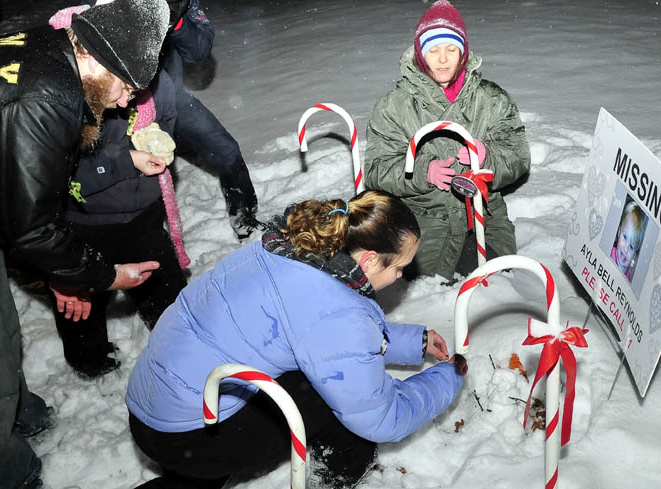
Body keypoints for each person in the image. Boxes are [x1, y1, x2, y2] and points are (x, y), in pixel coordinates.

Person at [0, 1, 170, 487]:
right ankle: (10, 471)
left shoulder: (51, 48)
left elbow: (29, 197)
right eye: (126, 87)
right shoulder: (45, 98)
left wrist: (56, 270)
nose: (124, 103)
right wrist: (104, 276)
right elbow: (33, 230)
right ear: (98, 58)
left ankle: (20, 412)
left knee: (0, 331)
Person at [126, 190, 468, 489]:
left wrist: (414, 343)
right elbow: (381, 417)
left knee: (322, 381)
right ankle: (331, 478)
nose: (400, 276)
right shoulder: (337, 312)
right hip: (188, 432)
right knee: (341, 416)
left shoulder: (292, 249)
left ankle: (200, 473)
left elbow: (319, 333)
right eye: (399, 268)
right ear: (369, 260)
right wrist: (446, 377)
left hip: (158, 403)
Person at [47, 3, 189, 379]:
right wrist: (126, 159)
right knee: (82, 304)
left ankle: (179, 350)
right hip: (88, 223)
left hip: (144, 213)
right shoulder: (69, 93)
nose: (128, 99)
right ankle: (90, 362)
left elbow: (168, 130)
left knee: (166, 292)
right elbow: (67, 178)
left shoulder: (158, 86)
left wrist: (159, 144)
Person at [364, 0, 531, 282]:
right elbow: (376, 170)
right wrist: (420, 171)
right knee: (434, 296)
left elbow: (518, 156)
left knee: (497, 288)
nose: (443, 59)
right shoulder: (395, 107)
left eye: (451, 50)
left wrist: (488, 156)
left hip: (484, 216)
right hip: (423, 223)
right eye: (433, 50)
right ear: (420, 54)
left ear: (463, 53)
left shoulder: (490, 99)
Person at [162, 0, 261, 240]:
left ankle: (245, 223)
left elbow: (199, 51)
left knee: (227, 152)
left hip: (173, 99)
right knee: (141, 188)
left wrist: (177, 20)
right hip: (124, 109)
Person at [609, 200, 647, 281]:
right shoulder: (608, 254)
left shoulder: (628, 277)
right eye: (625, 237)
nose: (626, 249)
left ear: (634, 255)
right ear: (619, 232)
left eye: (631, 246)